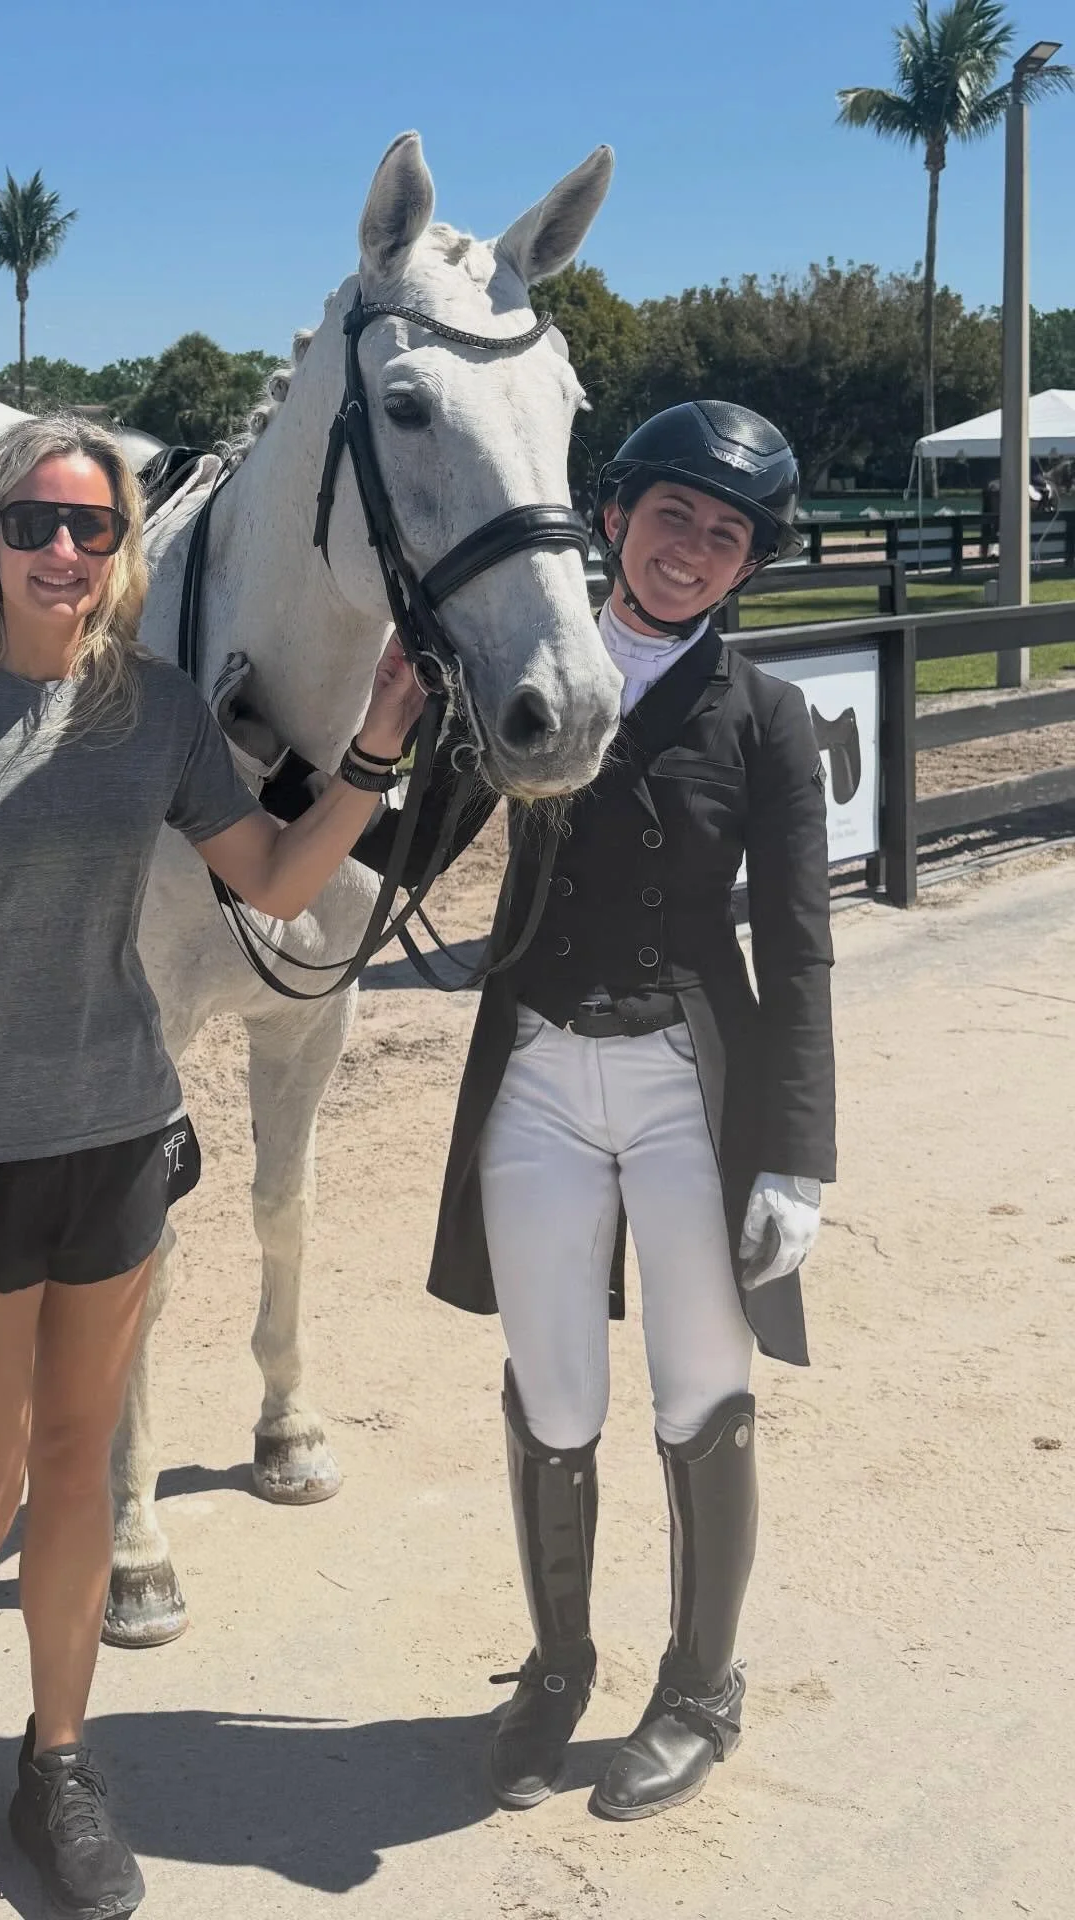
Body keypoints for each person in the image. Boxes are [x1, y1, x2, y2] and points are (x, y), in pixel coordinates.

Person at [0, 413, 425, 1919]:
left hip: (119, 1147)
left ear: (123, 546)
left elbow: (278, 884)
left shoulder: (156, 715)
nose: (63, 552)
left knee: (82, 1475)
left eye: (92, 527)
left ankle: (58, 1761)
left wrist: (373, 754)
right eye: (34, 523)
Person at [417, 400, 836, 1820]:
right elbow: (415, 851)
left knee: (705, 1386)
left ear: (745, 566)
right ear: (615, 518)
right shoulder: (524, 673)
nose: (693, 550)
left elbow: (798, 946)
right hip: (536, 1071)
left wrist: (798, 1152)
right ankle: (556, 1666)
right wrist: (385, 737)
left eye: (727, 537)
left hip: (683, 1088)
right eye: (674, 516)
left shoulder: (765, 718)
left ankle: (704, 1685)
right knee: (554, 1386)